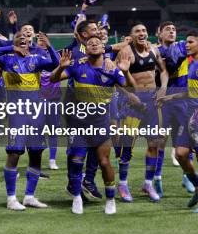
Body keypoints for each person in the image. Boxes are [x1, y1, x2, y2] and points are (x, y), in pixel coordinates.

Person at [50, 37, 136, 214]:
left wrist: (126, 72)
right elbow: (53, 79)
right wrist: (61, 67)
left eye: (97, 42)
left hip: (101, 124)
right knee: (76, 161)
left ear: (104, 48)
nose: (94, 44)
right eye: (90, 43)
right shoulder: (77, 65)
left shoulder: (111, 68)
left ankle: (111, 200)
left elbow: (131, 87)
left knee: (104, 162)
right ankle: (76, 198)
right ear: (85, 49)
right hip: (79, 123)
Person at [0, 31, 59, 211]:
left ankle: (29, 196)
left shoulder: (36, 60)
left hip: (36, 113)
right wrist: (12, 47)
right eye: (20, 39)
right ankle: (11, 198)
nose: (24, 41)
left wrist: (49, 46)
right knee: (15, 153)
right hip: (17, 114)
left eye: (26, 39)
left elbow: (56, 63)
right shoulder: (7, 61)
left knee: (36, 153)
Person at [157, 32, 198, 213]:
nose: (186, 45)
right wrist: (170, 97)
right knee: (180, 154)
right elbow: (190, 91)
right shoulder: (190, 63)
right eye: (186, 42)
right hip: (190, 116)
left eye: (190, 42)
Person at [115, 22, 169, 203]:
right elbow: (115, 78)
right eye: (137, 31)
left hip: (152, 103)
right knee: (127, 145)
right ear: (131, 35)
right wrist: (128, 95)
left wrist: (163, 88)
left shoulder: (154, 50)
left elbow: (164, 72)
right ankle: (122, 183)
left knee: (154, 143)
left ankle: (148, 183)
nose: (142, 33)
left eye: (144, 30)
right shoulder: (126, 52)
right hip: (132, 105)